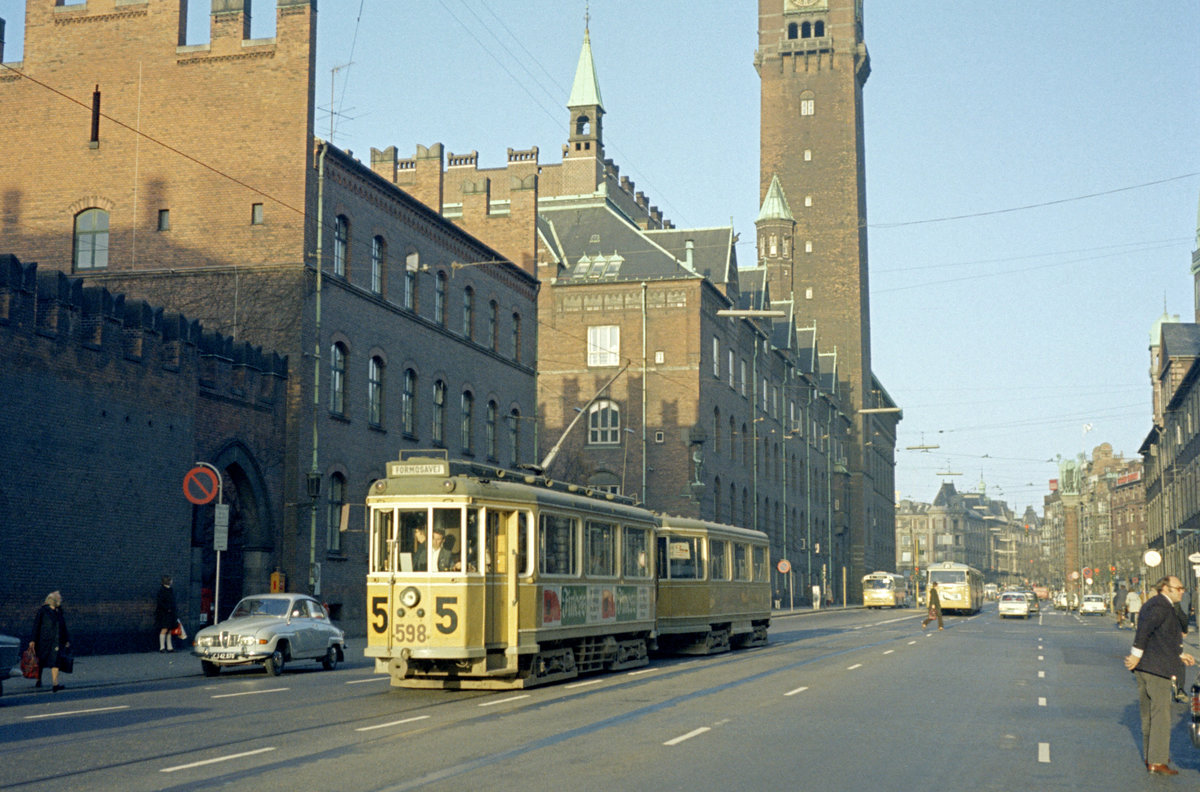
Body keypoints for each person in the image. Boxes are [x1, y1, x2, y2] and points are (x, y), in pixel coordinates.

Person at [1124, 575, 1196, 776]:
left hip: (1149, 666)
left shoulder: (1154, 604)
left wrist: (1180, 654)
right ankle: (1157, 760)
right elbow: (1144, 632)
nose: (1182, 591)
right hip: (1156, 669)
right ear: (1166, 588)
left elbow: (1161, 637)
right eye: (1178, 587)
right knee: (1161, 716)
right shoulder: (1161, 607)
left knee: (1149, 715)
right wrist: (1135, 656)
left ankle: (1152, 755)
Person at [31, 591, 70, 692]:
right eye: (59, 599)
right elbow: (36, 626)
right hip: (44, 641)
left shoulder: (59, 611)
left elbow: (63, 626)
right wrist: (33, 640)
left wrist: (66, 639)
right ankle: (39, 680)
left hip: (56, 641)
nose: (60, 600)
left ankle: (55, 684)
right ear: (53, 600)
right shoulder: (43, 611)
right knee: (41, 661)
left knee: (55, 661)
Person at [155, 575, 178, 653]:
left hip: (170, 613)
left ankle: (169, 647)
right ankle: (162, 647)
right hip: (164, 613)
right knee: (164, 629)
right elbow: (160, 602)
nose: (172, 581)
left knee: (169, 630)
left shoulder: (170, 590)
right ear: (168, 581)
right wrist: (168, 608)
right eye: (171, 580)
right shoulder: (162, 591)